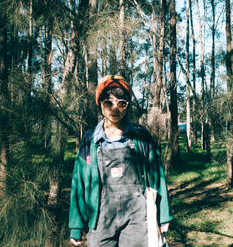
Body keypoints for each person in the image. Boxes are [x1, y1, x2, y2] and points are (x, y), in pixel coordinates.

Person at [69, 75, 172, 247]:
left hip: (138, 217)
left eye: (121, 103)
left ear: (127, 105)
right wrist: (76, 226)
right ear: (100, 105)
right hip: (100, 218)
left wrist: (163, 216)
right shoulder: (89, 140)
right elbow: (78, 183)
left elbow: (157, 177)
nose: (114, 108)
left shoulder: (141, 136)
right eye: (108, 103)